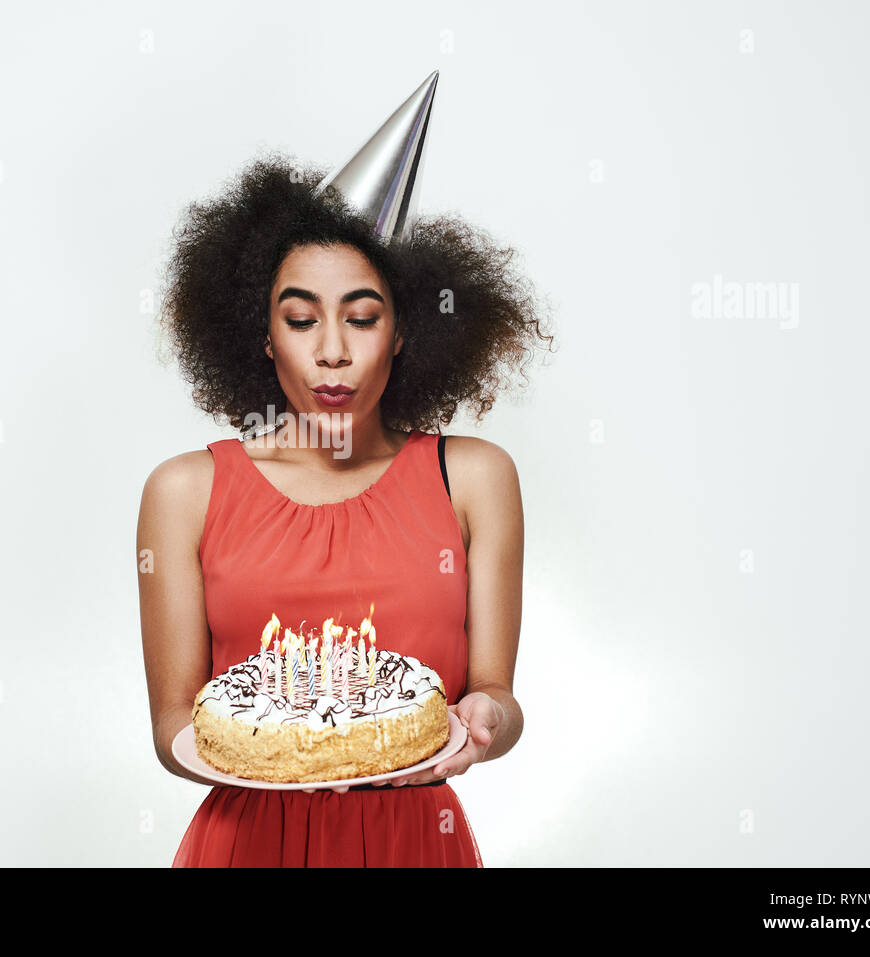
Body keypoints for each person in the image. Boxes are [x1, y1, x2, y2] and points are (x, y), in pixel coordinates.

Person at [137, 73, 554, 866]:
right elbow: (172, 729)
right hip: (244, 847)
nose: (332, 348)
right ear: (261, 336)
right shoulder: (183, 492)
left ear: (405, 333)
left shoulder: (472, 478)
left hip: (414, 842)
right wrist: (273, 751)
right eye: (300, 318)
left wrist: (487, 722)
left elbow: (497, 693)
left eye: (362, 317)